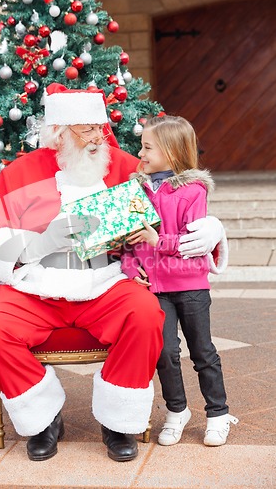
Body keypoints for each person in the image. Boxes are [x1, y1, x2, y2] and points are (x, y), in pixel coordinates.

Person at [0, 84, 226, 462]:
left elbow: (180, 187)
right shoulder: (20, 174)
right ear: (59, 131)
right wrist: (39, 244)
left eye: (100, 127)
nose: (99, 136)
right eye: (86, 128)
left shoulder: (122, 164)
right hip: (36, 288)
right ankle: (43, 419)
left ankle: (118, 420)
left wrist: (213, 227)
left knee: (145, 315)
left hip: (107, 282)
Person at [121, 115, 238, 448]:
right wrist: (132, 270)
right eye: (141, 146)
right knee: (164, 352)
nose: (140, 153)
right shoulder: (136, 189)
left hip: (190, 285)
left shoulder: (193, 191)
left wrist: (157, 241)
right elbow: (128, 241)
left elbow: (192, 244)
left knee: (202, 351)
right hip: (155, 290)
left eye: (147, 147)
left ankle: (217, 414)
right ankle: (177, 412)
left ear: (171, 153)